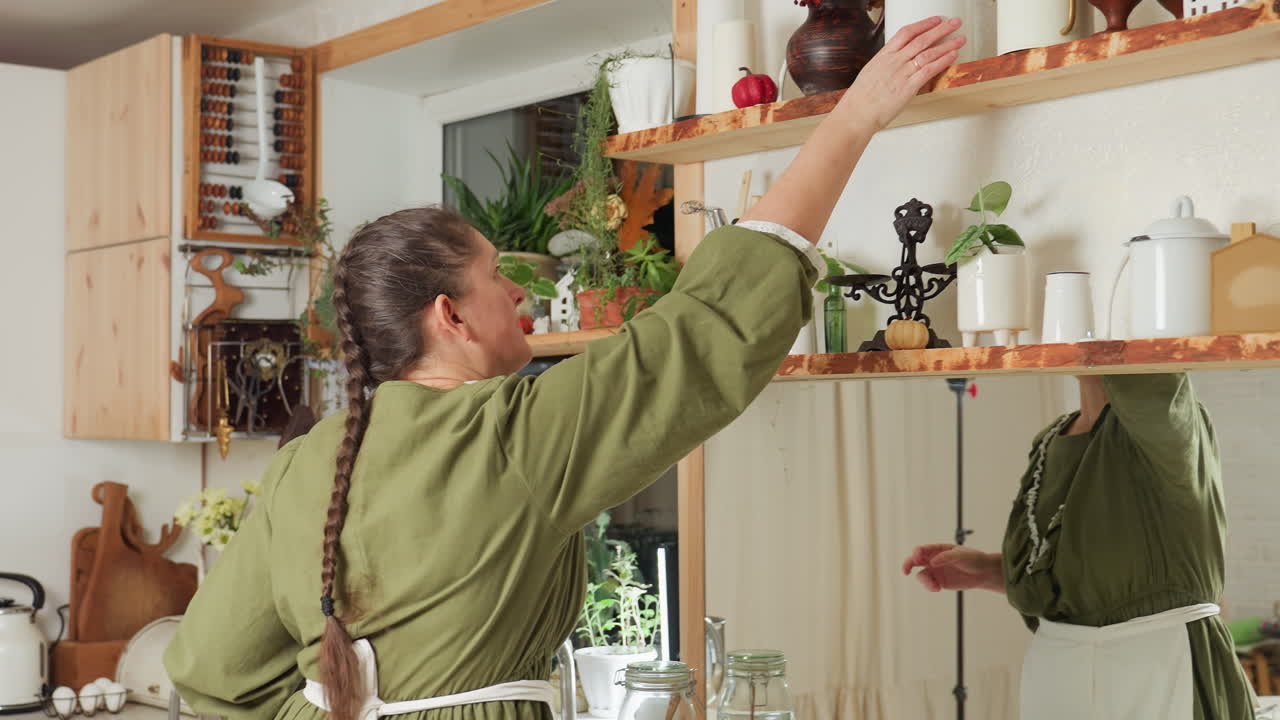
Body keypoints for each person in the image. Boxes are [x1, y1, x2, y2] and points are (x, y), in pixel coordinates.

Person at [163, 17, 967, 720]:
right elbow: (705, 331)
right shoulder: (512, 435)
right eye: (494, 276)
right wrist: (855, 117)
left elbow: (209, 669)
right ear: (449, 317)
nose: (520, 287)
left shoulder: (313, 455)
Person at [903, 373, 1256, 720]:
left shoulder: (1164, 423)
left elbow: (1147, 368)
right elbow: (1090, 573)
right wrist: (990, 571)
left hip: (1158, 671)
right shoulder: (1052, 440)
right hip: (1059, 675)